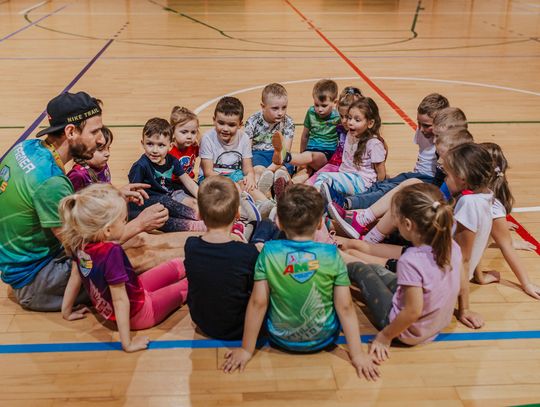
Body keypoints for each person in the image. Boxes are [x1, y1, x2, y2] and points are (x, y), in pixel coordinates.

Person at [0, 91, 166, 311]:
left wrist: (114, 196)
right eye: (95, 131)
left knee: (135, 240)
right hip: (36, 282)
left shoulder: (27, 148)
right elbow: (83, 250)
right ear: (70, 131)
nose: (100, 139)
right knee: (135, 253)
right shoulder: (50, 181)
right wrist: (139, 224)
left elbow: (58, 204)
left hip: (20, 266)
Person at [222, 184, 380, 380]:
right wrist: (356, 355)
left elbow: (258, 303)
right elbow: (345, 307)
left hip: (280, 338)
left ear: (278, 222)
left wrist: (246, 349)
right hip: (324, 340)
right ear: (320, 224)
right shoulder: (331, 255)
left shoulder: (269, 252)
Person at [59, 184, 188, 352]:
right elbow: (120, 300)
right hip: (140, 314)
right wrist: (127, 344)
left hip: (135, 293)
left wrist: (66, 311)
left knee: (176, 264)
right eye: (124, 220)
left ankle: (194, 261)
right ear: (107, 230)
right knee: (187, 285)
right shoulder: (111, 252)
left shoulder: (80, 242)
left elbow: (75, 278)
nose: (126, 222)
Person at [347, 183, 462, 359]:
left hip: (408, 332)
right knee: (377, 270)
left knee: (360, 270)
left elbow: (413, 311)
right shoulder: (451, 246)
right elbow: (460, 282)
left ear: (407, 224)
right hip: (436, 323)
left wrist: (385, 336)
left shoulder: (411, 260)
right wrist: (464, 309)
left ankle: (334, 262)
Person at [336, 93, 449, 209]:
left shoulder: (444, 144)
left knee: (389, 190)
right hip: (416, 174)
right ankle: (353, 199)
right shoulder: (422, 130)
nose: (420, 128)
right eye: (419, 123)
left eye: (426, 125)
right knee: (384, 183)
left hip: (428, 180)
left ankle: (347, 203)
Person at [184, 176, 260, 340]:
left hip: (202, 322)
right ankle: (254, 229)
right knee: (265, 230)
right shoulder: (248, 253)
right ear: (238, 213)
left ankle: (247, 230)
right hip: (240, 327)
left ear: (198, 214)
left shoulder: (190, 246)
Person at [474, 142, 540, 297]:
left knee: (493, 232)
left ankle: (499, 233)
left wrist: (527, 283)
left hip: (461, 257)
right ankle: (498, 233)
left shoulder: (485, 202)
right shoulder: (487, 200)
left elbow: (505, 247)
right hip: (462, 260)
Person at [128, 117, 205, 233]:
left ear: (170, 146)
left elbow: (187, 181)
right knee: (164, 213)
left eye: (161, 145)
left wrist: (204, 199)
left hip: (168, 196)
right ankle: (195, 224)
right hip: (148, 202)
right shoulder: (140, 166)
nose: (154, 150)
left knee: (193, 189)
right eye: (149, 144)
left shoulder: (172, 161)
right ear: (142, 144)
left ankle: (209, 215)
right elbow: (133, 194)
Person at [313, 97, 387, 194]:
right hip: (347, 177)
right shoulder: (349, 134)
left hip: (362, 183)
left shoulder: (374, 143)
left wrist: (375, 193)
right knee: (323, 183)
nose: (350, 122)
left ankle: (314, 203)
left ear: (370, 123)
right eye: (349, 118)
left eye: (357, 120)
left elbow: (381, 173)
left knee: (323, 178)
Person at [272, 79, 341, 175]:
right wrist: (302, 156)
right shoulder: (311, 112)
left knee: (312, 157)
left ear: (335, 102)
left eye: (324, 106)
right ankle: (289, 184)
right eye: (316, 105)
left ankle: (285, 156)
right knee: (304, 172)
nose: (319, 109)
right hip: (309, 151)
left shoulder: (338, 116)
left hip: (326, 154)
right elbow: (305, 136)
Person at [305, 86, 363, 185]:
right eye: (341, 116)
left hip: (350, 172)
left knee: (315, 184)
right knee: (309, 181)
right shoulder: (340, 128)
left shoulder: (364, 136)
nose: (344, 120)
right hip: (334, 164)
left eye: (348, 117)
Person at [243, 83, 294, 196]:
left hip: (280, 157)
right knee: (258, 172)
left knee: (282, 173)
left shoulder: (288, 122)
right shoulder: (252, 121)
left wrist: (270, 169)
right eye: (275, 108)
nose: (280, 112)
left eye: (284, 107)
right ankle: (265, 199)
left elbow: (285, 153)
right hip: (258, 155)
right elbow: (246, 150)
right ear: (263, 106)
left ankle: (283, 197)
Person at [199, 96, 256, 190]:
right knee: (236, 190)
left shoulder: (244, 138)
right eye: (221, 123)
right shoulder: (207, 138)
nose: (225, 129)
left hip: (236, 176)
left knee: (250, 187)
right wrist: (232, 184)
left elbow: (248, 168)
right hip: (212, 179)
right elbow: (208, 173)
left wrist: (250, 176)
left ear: (240, 125)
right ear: (214, 120)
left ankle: (267, 203)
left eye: (231, 125)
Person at [67, 126, 113, 191]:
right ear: (84, 150)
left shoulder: (103, 165)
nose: (108, 154)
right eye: (101, 149)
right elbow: (70, 199)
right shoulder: (78, 175)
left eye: (108, 148)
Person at [169, 106, 200, 179]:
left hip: (189, 181)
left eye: (193, 132)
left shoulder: (194, 146)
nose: (189, 136)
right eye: (184, 132)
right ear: (172, 132)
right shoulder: (168, 151)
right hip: (173, 184)